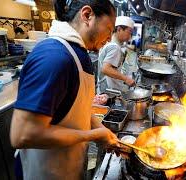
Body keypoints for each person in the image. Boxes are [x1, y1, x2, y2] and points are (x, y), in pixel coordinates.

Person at [10, 0, 118, 179]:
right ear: (87, 15)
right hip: (44, 172)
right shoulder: (54, 57)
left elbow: (77, 109)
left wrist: (102, 131)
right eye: (109, 28)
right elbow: (22, 134)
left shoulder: (78, 53)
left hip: (67, 166)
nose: (109, 37)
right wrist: (92, 135)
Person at [98, 16, 135, 92]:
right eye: (129, 32)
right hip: (109, 90)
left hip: (105, 87)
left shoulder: (109, 42)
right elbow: (106, 69)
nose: (130, 36)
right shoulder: (114, 47)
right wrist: (126, 79)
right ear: (119, 29)